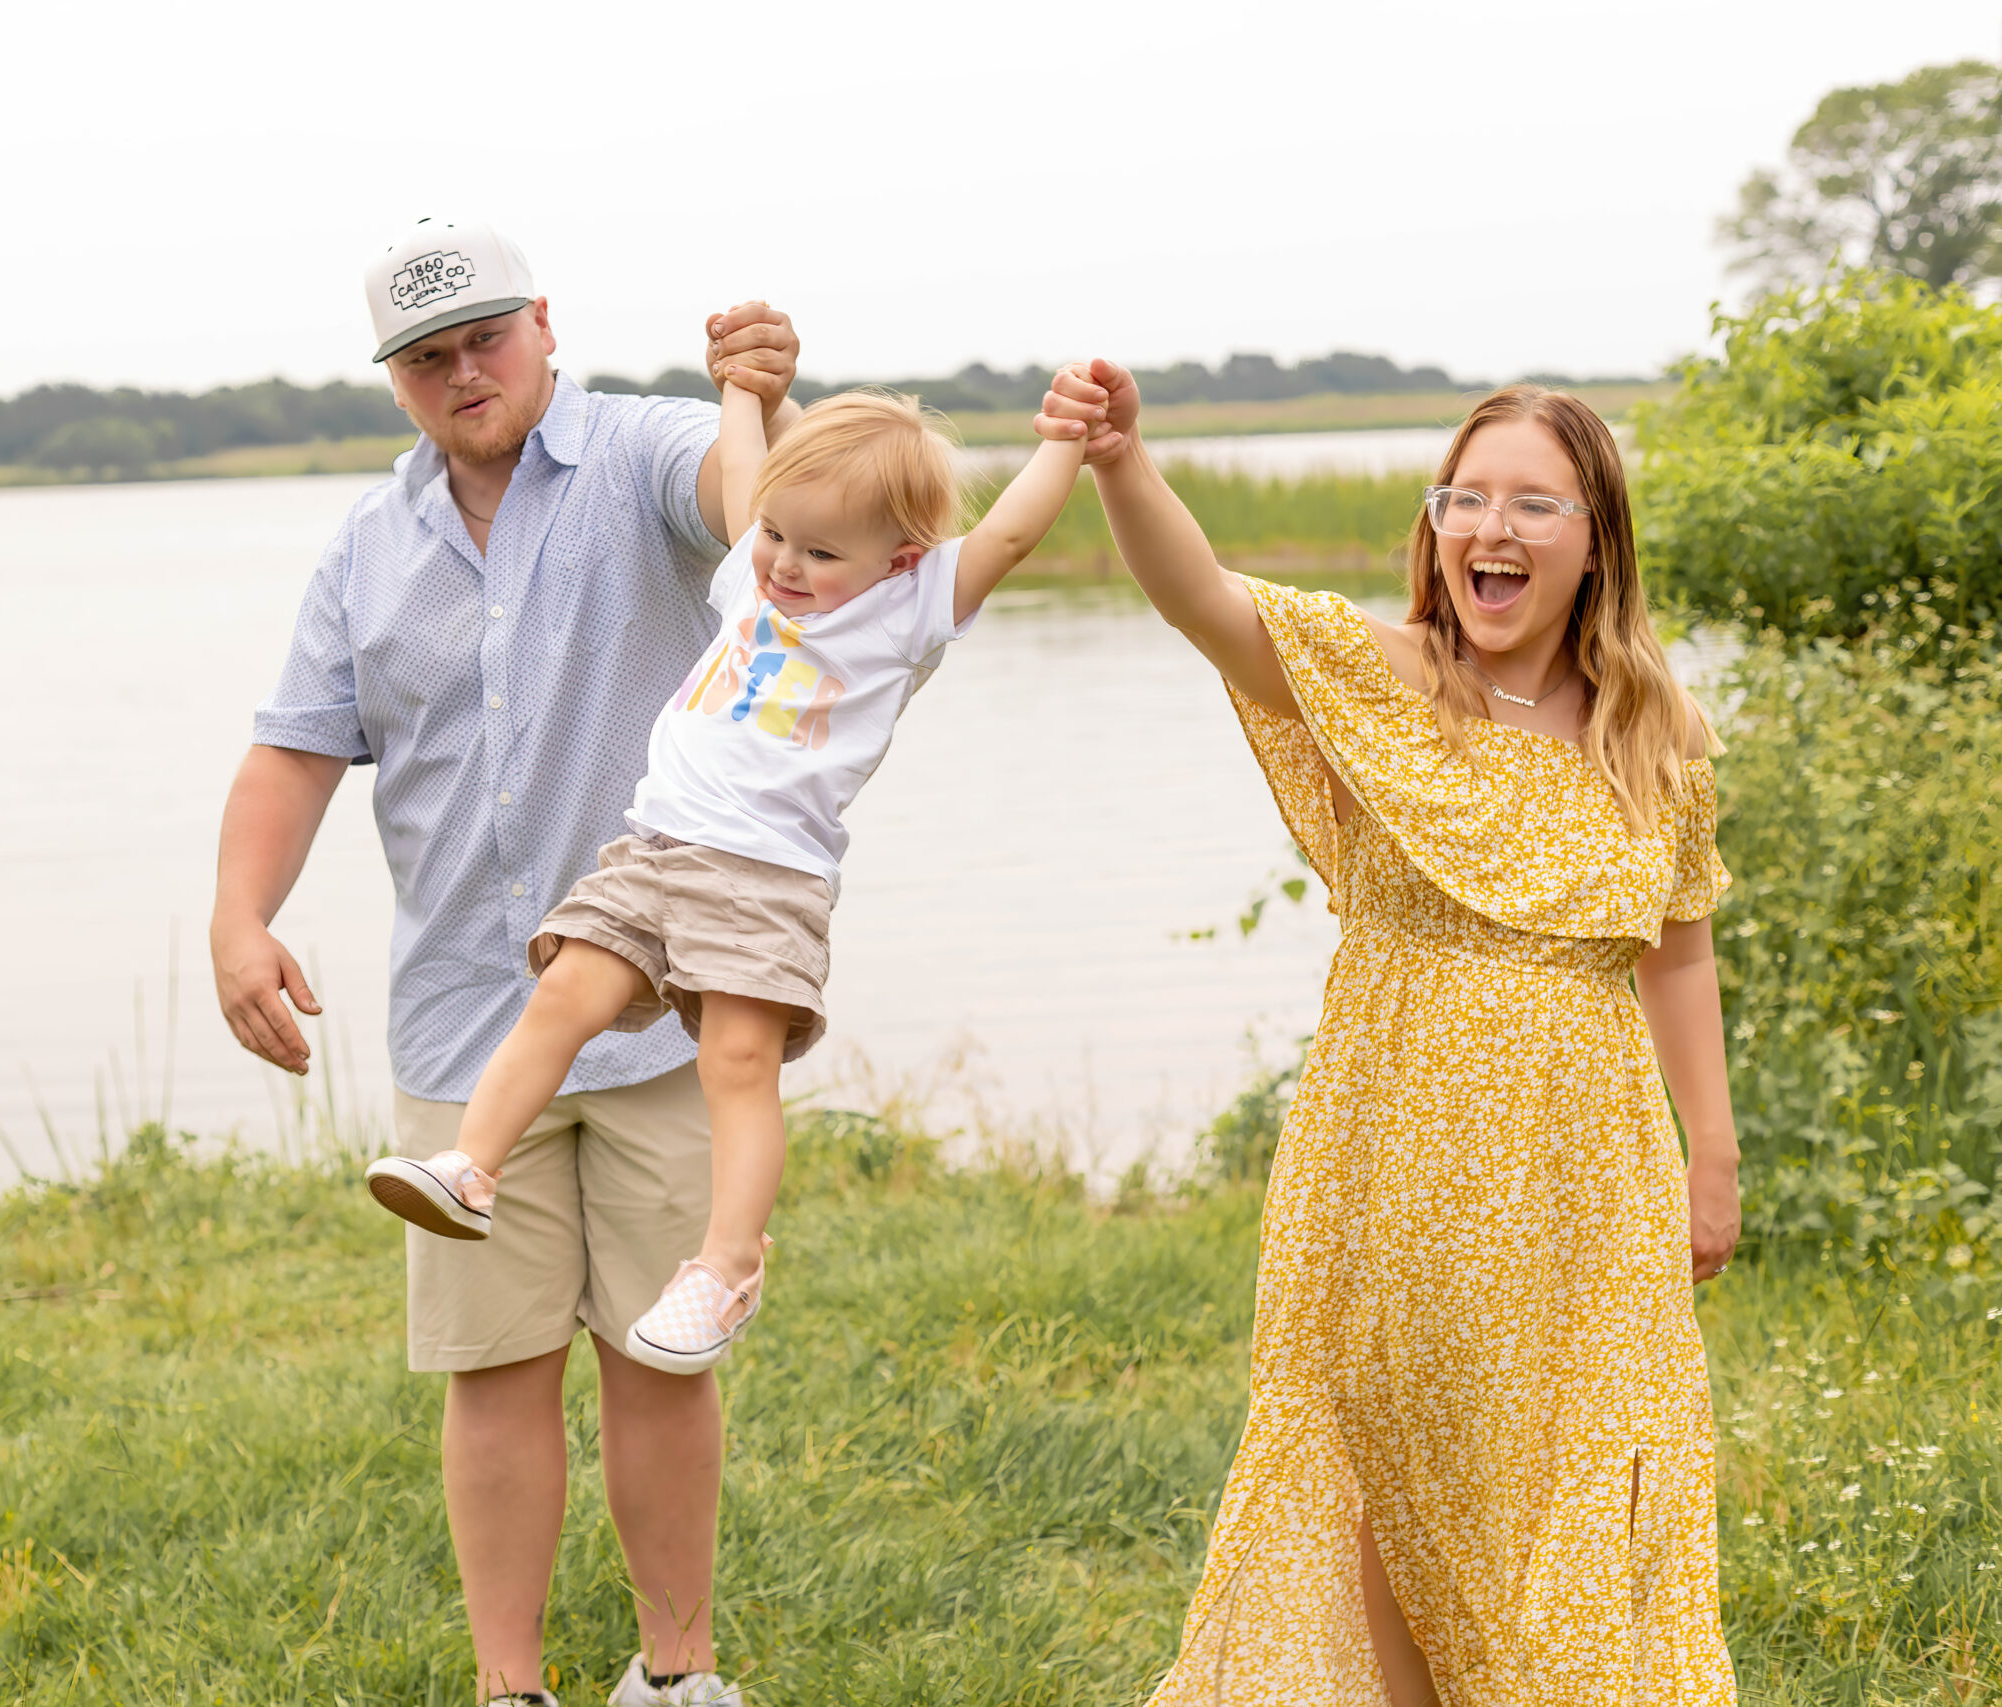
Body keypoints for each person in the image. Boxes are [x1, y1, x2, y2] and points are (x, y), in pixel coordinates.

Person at [1042, 361, 1742, 1705]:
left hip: (1592, 1163)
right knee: (1410, 1450)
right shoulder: (1386, 677)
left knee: (1602, 1462)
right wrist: (1123, 461)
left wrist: (1710, 1151)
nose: (1490, 529)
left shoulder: (1659, 729)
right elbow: (1205, 600)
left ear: (1596, 536)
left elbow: (1683, 941)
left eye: (1533, 503)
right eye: (1462, 498)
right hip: (1400, 1141)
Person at [211, 217, 802, 1707]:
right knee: (495, 1369)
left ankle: (678, 1674)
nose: (462, 370)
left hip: (661, 1013)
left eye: (485, 336)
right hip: (467, 1026)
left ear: (544, 324)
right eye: (427, 355)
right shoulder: (367, 543)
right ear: (394, 377)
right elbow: (295, 748)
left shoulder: (647, 453)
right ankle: (509, 1685)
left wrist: (761, 399)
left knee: (663, 1360)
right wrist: (239, 916)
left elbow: (753, 512)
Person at [362, 380, 1088, 1373]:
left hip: (763, 878)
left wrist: (1064, 442)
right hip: (653, 848)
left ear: (901, 560)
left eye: (819, 553)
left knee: (734, 1069)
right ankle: (472, 1168)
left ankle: (726, 1266)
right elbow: (749, 474)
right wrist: (740, 393)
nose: (784, 564)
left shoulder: (906, 614)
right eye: (777, 537)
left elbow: (1002, 541)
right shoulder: (757, 569)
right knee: (563, 991)